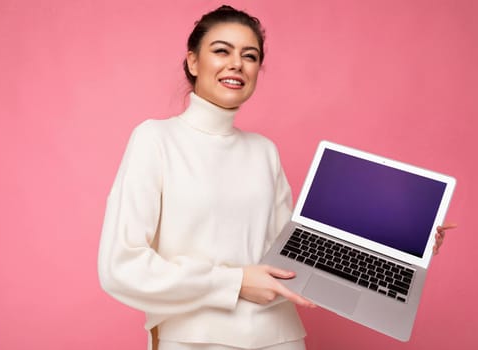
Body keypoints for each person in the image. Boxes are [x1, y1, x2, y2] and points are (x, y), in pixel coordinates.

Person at [97, 5, 454, 350]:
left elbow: (290, 252)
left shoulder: (263, 150)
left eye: (250, 56)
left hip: (279, 337)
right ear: (193, 60)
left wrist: (399, 245)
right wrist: (235, 282)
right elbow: (121, 267)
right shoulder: (155, 138)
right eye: (222, 51)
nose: (237, 63)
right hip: (195, 338)